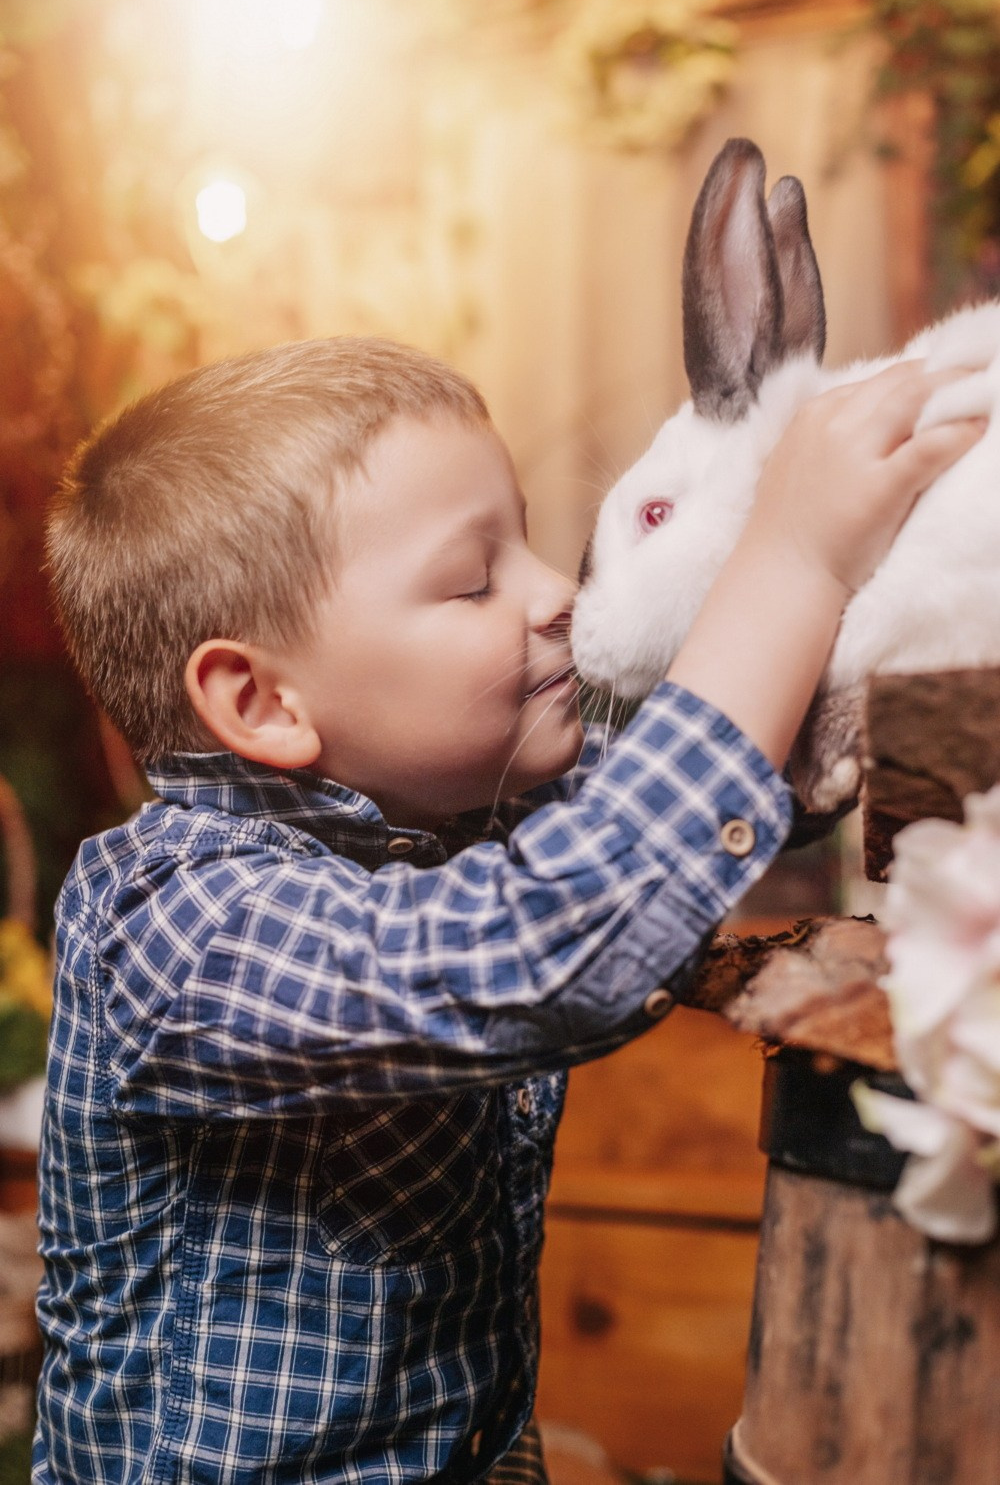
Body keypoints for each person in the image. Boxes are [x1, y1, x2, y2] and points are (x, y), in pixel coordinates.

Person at [36, 336, 982, 1485]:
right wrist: (788, 561)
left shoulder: (460, 816)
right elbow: (547, 942)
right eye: (473, 580)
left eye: (529, 538)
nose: (553, 593)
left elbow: (712, 795)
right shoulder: (179, 919)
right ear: (262, 700)